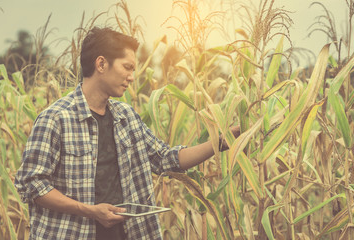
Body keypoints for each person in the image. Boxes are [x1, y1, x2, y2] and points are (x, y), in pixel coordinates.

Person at [15, 27, 240, 240]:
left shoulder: (126, 117)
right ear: (101, 64)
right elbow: (33, 185)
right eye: (128, 67)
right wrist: (91, 211)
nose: (132, 77)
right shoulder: (55, 119)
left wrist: (221, 141)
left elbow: (165, 159)